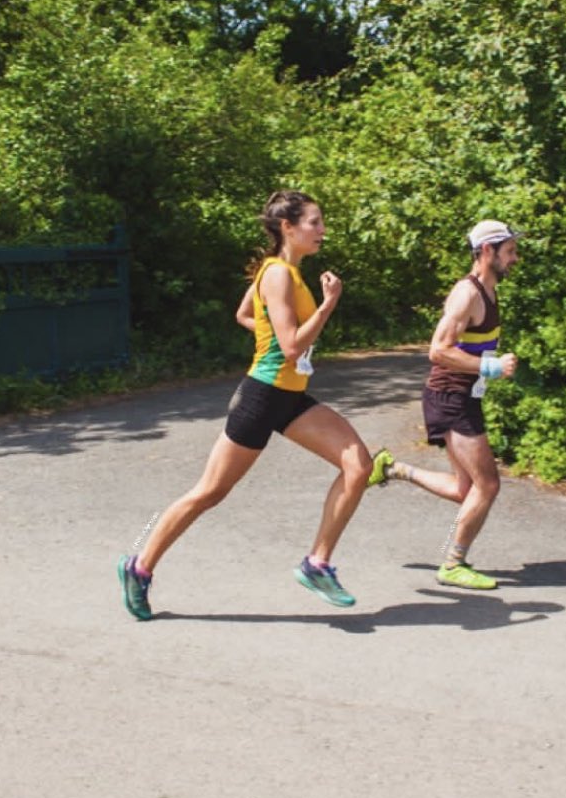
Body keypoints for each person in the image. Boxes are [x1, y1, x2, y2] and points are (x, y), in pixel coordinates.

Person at [118, 190, 386, 620]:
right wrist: (329, 305)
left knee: (359, 465)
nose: (322, 230)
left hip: (291, 397)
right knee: (209, 492)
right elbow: (292, 345)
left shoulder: (282, 274)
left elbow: (246, 312)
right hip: (262, 397)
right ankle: (139, 566)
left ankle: (317, 564)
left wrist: (269, 332)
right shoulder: (278, 274)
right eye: (314, 222)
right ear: (288, 227)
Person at [369, 219, 522, 589]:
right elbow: (438, 350)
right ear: (487, 251)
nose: (515, 259)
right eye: (510, 251)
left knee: (463, 489)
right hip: (450, 397)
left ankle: (394, 469)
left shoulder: (489, 291)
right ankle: (453, 563)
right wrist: (491, 366)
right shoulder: (466, 294)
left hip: (462, 396)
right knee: (487, 485)